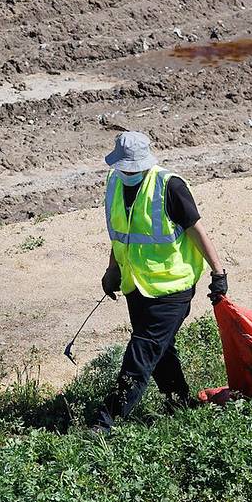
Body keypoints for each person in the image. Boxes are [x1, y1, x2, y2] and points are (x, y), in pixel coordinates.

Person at [89, 131, 228, 430]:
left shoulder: (170, 187)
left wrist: (218, 273)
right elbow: (119, 233)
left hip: (172, 287)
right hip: (135, 285)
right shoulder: (114, 183)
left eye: (132, 168)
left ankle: (106, 420)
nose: (127, 173)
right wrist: (112, 269)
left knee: (141, 351)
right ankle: (179, 404)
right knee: (160, 350)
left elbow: (196, 231)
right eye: (123, 168)